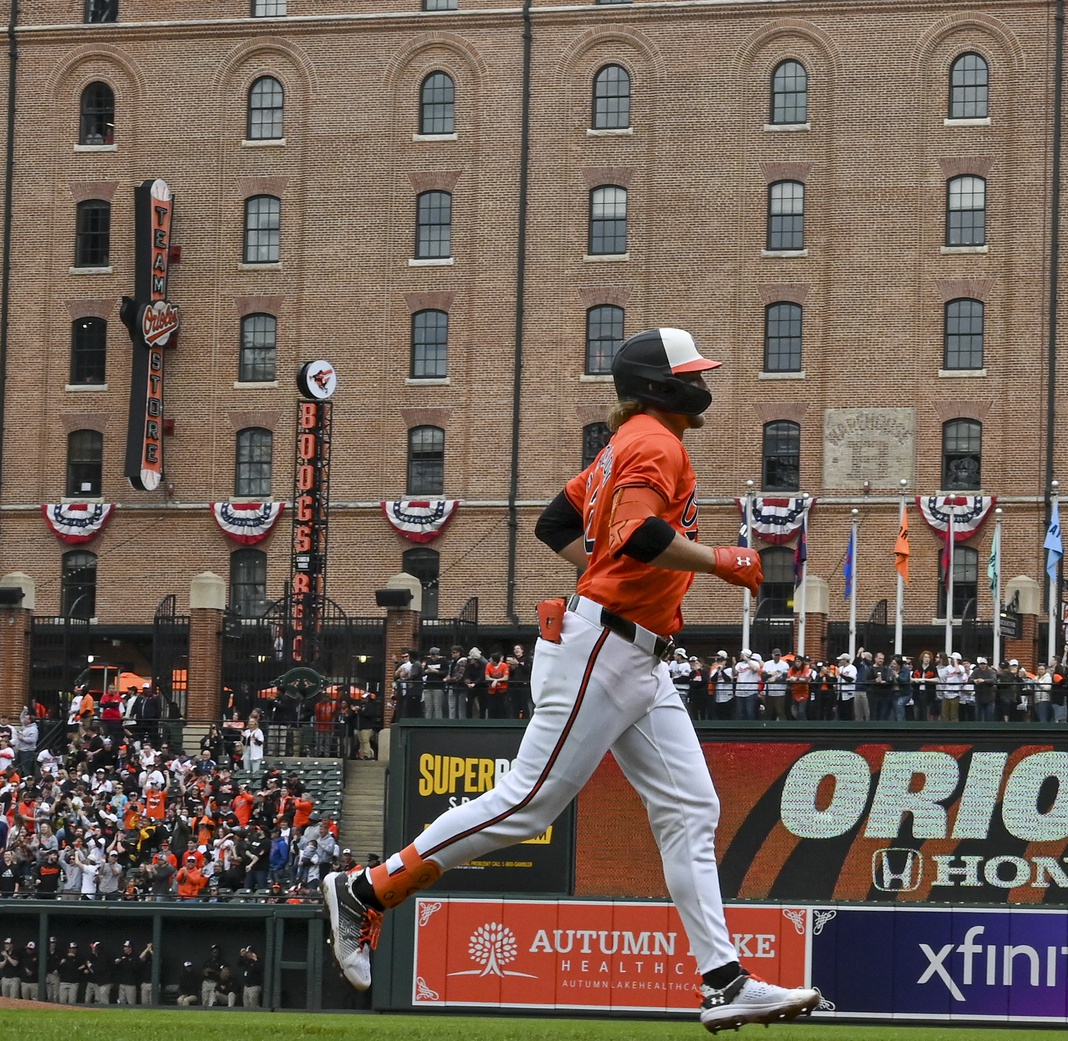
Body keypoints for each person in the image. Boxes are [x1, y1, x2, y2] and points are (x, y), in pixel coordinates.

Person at [322, 328, 819, 1032]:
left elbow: (556, 522)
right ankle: (367, 890)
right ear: (661, 385)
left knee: (691, 809)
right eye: (692, 375)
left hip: (634, 653)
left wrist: (603, 571)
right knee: (526, 805)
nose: (702, 384)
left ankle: (725, 982)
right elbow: (638, 534)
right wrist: (719, 559)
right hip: (605, 646)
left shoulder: (627, 443)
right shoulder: (656, 441)